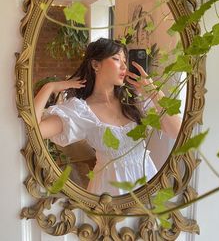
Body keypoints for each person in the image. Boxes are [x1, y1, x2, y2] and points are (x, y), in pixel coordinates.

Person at [34, 37, 181, 195]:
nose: (124, 66)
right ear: (95, 64)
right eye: (117, 59)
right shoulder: (81, 110)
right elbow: (35, 130)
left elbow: (177, 131)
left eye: (125, 60)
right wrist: (49, 87)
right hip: (109, 193)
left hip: (146, 182)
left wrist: (154, 92)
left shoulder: (135, 99)